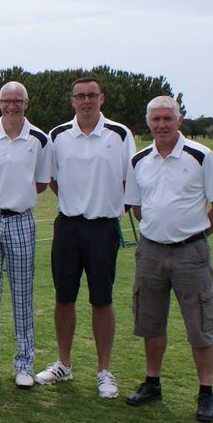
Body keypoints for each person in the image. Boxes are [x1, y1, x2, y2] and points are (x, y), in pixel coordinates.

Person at [124, 96, 213, 422]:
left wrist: (193, 236)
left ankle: (205, 392)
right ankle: (152, 382)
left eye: (167, 118)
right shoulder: (139, 160)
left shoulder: (201, 156)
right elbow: (137, 207)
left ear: (179, 120)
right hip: (150, 252)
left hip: (191, 253)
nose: (161, 125)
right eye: (155, 119)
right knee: (150, 321)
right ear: (148, 122)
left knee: (199, 324)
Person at [35, 77, 136, 398]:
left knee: (102, 300)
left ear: (101, 98)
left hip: (103, 228)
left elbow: (129, 180)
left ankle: (104, 371)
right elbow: (52, 179)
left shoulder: (120, 134)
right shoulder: (58, 135)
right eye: (80, 96)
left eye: (92, 95)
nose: (86, 101)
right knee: (64, 298)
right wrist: (75, 201)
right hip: (68, 226)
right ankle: (63, 364)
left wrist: (104, 204)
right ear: (72, 101)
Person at [0, 81, 52, 389]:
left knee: (22, 295)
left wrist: (15, 198)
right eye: (7, 101)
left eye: (18, 101)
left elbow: (40, 183)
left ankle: (24, 364)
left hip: (21, 221)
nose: (12, 106)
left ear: (26, 104)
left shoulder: (40, 139)